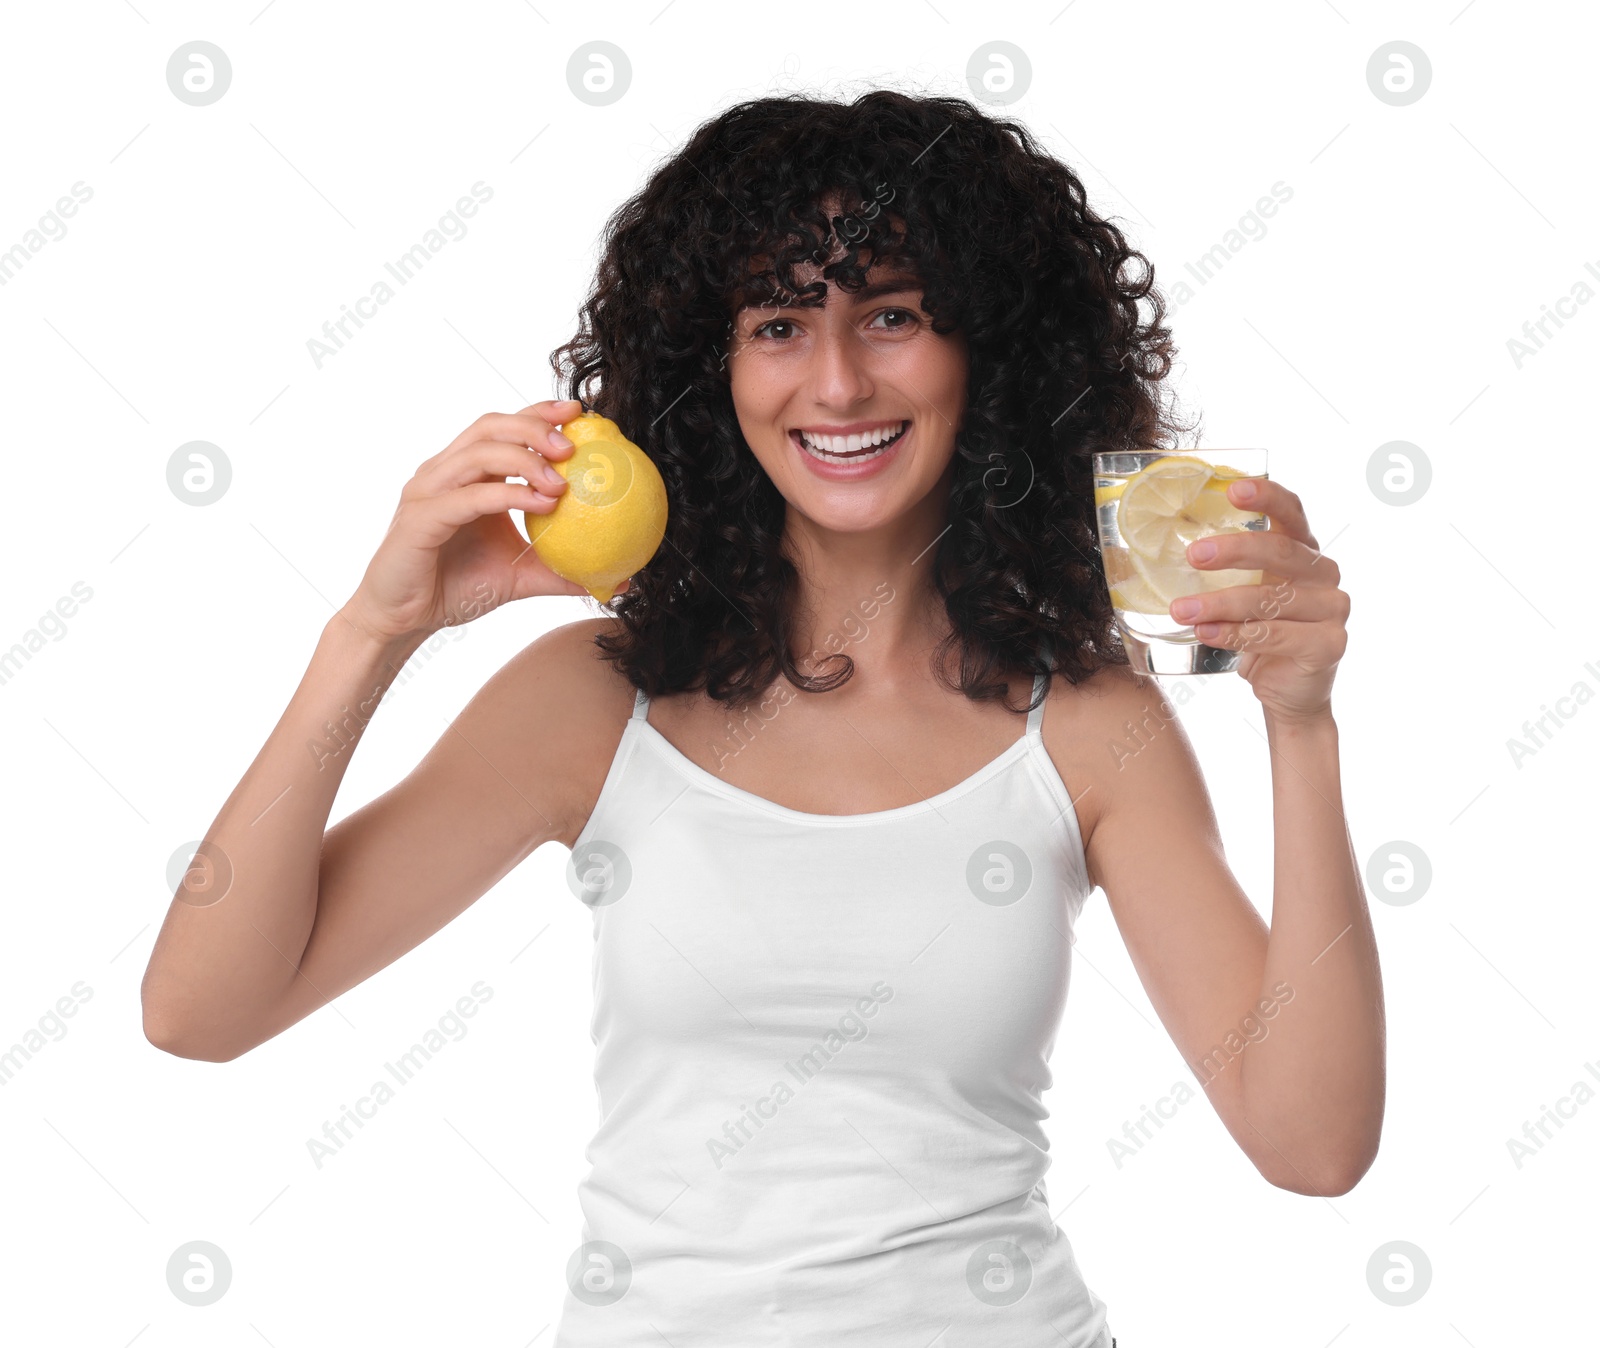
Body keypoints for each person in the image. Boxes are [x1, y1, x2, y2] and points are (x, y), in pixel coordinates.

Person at [142, 89, 1382, 1347]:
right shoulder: (596, 699)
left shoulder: (1081, 719)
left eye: (892, 315)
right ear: (711, 369)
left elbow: (1312, 1143)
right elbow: (201, 1011)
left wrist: (1301, 727)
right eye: (779, 324)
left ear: (990, 354)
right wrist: (374, 630)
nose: (838, 383)